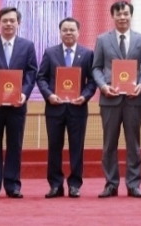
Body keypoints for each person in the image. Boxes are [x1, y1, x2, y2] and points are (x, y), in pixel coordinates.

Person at [0, 6, 38, 199]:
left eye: (12, 20)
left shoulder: (27, 46)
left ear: (19, 23)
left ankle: (13, 185)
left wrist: (25, 94)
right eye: (5, 21)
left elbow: (32, 72)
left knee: (15, 145)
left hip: (17, 105)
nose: (8, 24)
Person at [92, 0, 141, 198]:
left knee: (133, 144)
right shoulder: (102, 39)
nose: (122, 17)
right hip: (110, 99)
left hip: (134, 99)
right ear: (113, 16)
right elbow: (96, 68)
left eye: (126, 14)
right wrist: (103, 86)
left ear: (131, 15)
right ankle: (111, 184)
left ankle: (133, 184)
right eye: (119, 14)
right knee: (109, 144)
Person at [36, 17, 96, 198]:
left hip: (78, 108)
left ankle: (75, 184)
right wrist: (49, 95)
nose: (68, 33)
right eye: (65, 30)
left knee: (77, 147)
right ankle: (55, 185)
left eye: (72, 30)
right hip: (55, 108)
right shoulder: (50, 53)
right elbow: (41, 77)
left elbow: (92, 81)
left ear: (78, 32)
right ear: (60, 32)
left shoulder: (87, 54)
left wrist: (84, 96)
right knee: (54, 147)